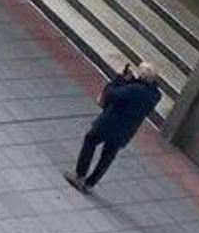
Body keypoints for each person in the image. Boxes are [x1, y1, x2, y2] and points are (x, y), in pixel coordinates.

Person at [68, 62, 161, 193]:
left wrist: (119, 78)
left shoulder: (134, 89)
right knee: (108, 156)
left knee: (90, 140)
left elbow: (112, 94)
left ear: (142, 76)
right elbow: (137, 99)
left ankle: (80, 175)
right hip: (126, 131)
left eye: (139, 71)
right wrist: (133, 81)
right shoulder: (155, 95)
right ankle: (90, 183)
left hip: (109, 123)